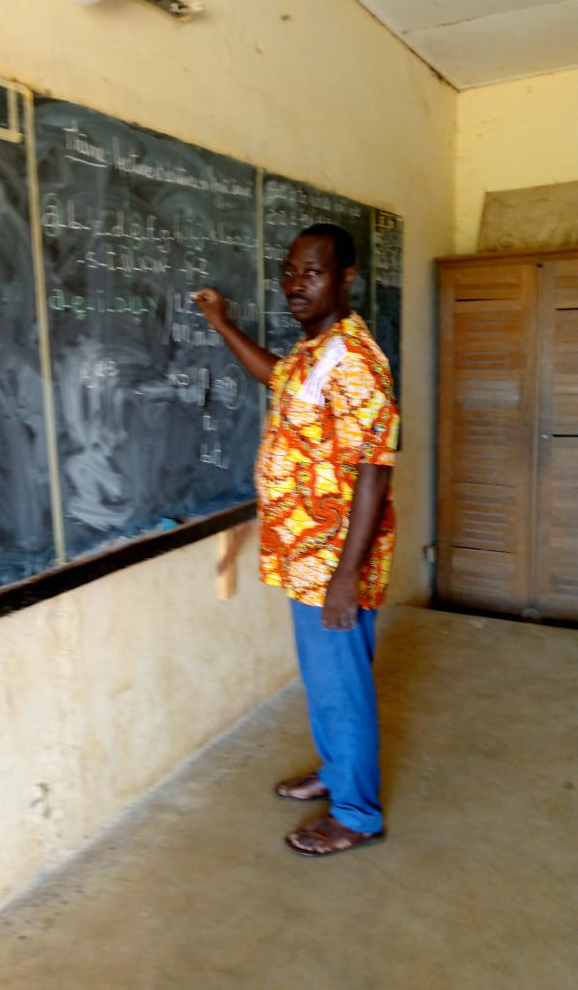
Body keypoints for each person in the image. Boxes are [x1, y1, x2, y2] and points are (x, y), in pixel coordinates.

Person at [194, 223, 399, 857]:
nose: (295, 284)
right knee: (326, 679)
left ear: (345, 279)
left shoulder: (356, 359)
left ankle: (356, 814)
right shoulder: (316, 352)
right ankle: (337, 773)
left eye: (312, 272)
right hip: (304, 557)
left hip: (333, 562)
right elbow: (276, 376)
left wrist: (345, 575)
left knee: (342, 687)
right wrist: (222, 324)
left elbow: (374, 469)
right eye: (290, 271)